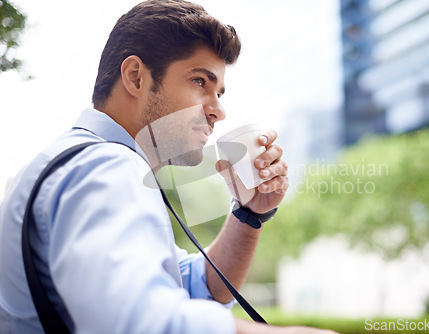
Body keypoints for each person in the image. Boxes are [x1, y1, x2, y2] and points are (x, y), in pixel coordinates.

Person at [0, 0, 338, 333]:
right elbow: (134, 322)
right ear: (135, 77)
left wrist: (249, 214)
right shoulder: (108, 167)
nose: (218, 111)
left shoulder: (77, 161)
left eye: (219, 92)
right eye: (200, 82)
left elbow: (196, 286)